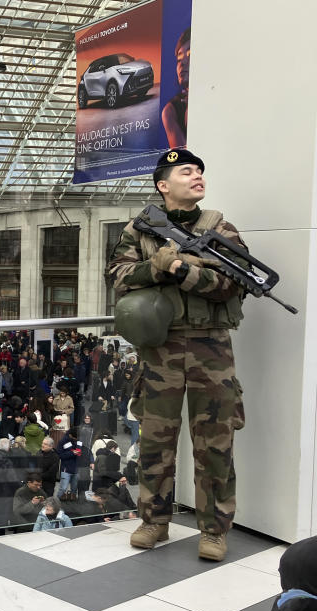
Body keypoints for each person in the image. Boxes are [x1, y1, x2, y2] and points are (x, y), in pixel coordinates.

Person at [107, 149, 246, 562]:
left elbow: (234, 282)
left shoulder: (220, 227)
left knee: (215, 443)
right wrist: (155, 266)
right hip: (160, 347)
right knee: (155, 439)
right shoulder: (140, 228)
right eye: (186, 171)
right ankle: (153, 520)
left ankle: (214, 530)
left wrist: (182, 270)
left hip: (211, 346)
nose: (197, 175)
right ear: (163, 185)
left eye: (200, 170)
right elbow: (118, 276)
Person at [161, 28, 190, 149]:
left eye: (190, 55)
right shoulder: (171, 111)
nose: (182, 63)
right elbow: (184, 162)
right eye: (179, 59)